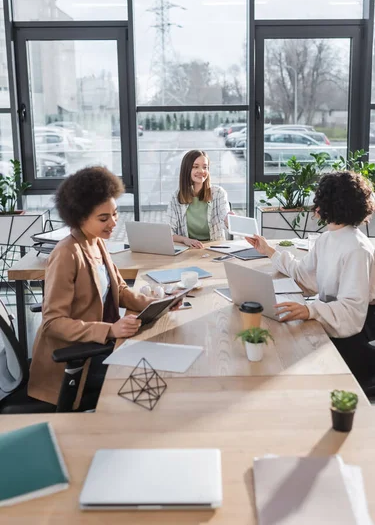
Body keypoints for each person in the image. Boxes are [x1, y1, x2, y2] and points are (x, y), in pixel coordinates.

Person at [28, 167, 156, 407]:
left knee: (150, 365)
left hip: (100, 348)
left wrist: (159, 304)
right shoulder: (67, 253)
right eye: (103, 218)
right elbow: (53, 322)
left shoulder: (96, 242)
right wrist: (110, 330)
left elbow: (120, 291)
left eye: (115, 214)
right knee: (142, 380)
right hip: (79, 362)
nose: (113, 223)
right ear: (79, 217)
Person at [246, 170, 375, 384]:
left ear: (329, 205)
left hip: (359, 340)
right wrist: (269, 251)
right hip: (336, 324)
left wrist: (309, 310)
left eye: (319, 199)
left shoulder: (357, 249)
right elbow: (304, 274)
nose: (315, 206)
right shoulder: (327, 239)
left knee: (291, 361)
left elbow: (351, 311)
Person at [167, 149, 232, 249]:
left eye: (205, 167)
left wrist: (229, 219)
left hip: (215, 249)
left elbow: (225, 216)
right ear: (187, 169)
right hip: (188, 250)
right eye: (195, 167)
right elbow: (169, 232)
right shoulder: (176, 197)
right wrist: (186, 240)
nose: (201, 171)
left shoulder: (218, 193)